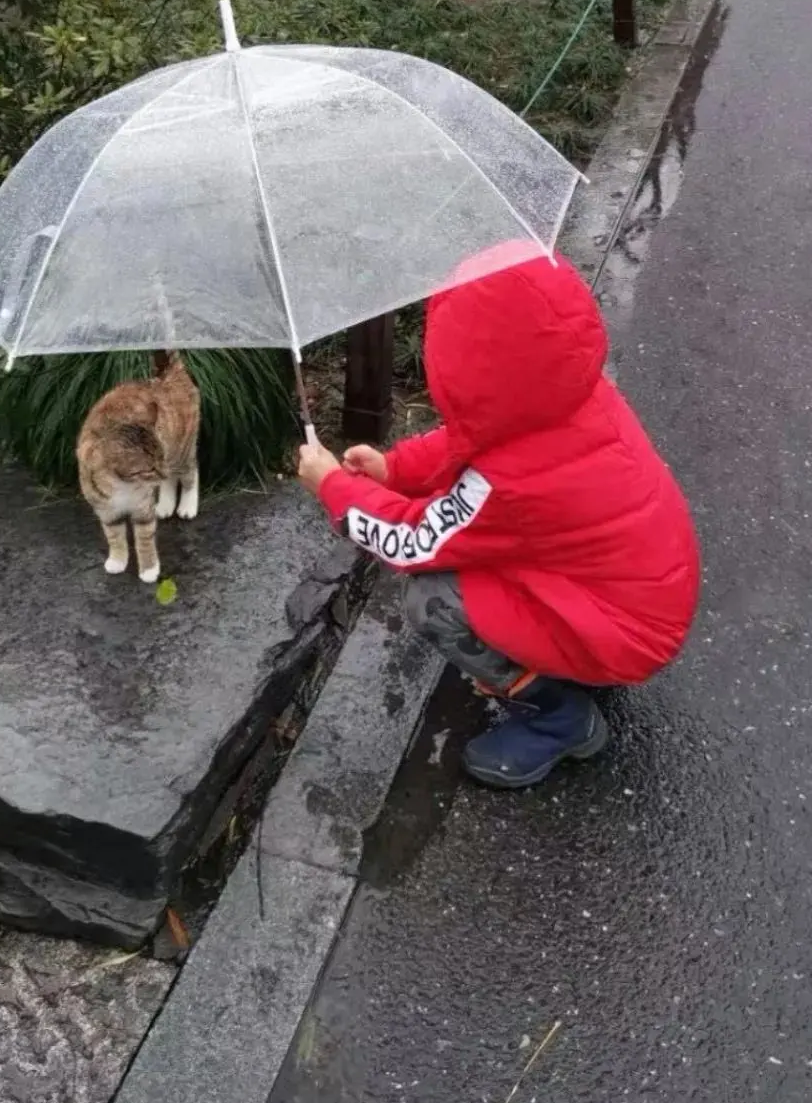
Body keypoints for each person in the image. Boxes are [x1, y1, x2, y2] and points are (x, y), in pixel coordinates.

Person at [296, 240, 700, 789]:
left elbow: (412, 540)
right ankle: (564, 663)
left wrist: (334, 487)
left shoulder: (510, 483)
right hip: (632, 595)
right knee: (476, 569)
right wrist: (394, 468)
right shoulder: (573, 397)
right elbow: (475, 438)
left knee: (432, 599)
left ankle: (560, 719)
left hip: (623, 631)